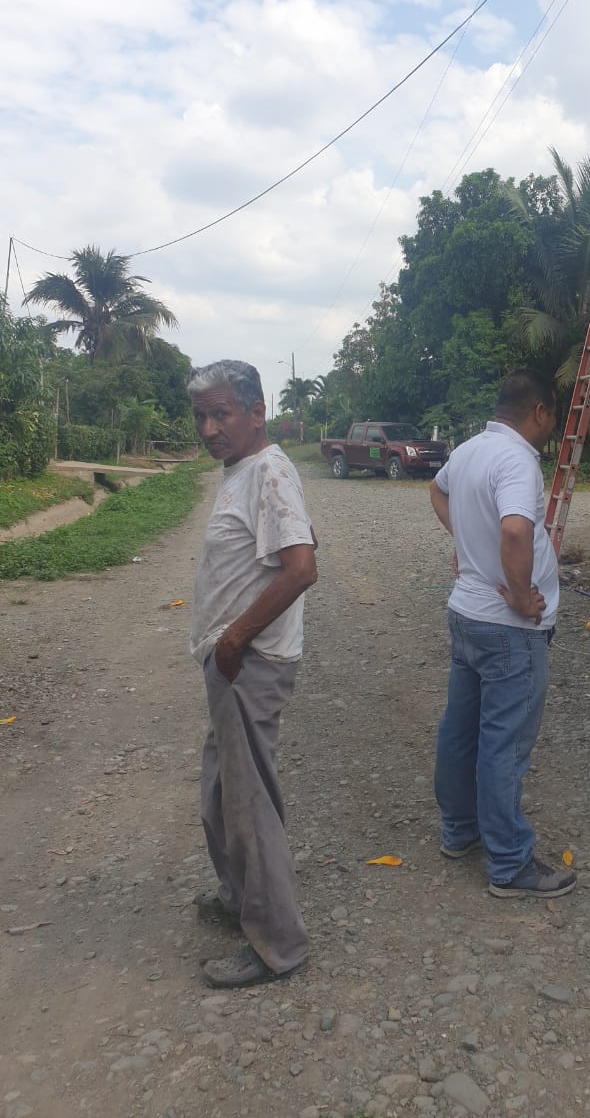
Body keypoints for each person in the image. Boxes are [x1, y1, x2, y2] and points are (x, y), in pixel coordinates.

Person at [187, 359, 318, 988]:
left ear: (257, 413)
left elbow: (301, 567)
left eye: (221, 414)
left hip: (249, 665)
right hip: (230, 664)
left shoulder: (268, 471)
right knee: (220, 795)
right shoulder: (242, 470)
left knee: (248, 806)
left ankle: (277, 945)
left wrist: (236, 639)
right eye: (201, 417)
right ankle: (240, 897)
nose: (209, 429)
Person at [429, 369, 576, 899]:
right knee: (504, 742)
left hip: (467, 615)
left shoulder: (469, 450)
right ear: (539, 411)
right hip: (507, 627)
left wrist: (467, 544)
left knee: (461, 730)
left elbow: (436, 491)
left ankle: (460, 830)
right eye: (552, 415)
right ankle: (510, 864)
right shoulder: (516, 460)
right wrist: (517, 593)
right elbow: (515, 528)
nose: (551, 426)